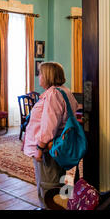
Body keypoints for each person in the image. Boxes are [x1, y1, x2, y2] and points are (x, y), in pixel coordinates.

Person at [22, 61, 79, 209]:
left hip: (49, 149)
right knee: (62, 182)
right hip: (62, 146)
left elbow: (49, 127)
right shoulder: (65, 91)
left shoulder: (53, 94)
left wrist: (40, 148)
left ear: (48, 76)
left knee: (49, 186)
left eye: (40, 74)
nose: (39, 77)